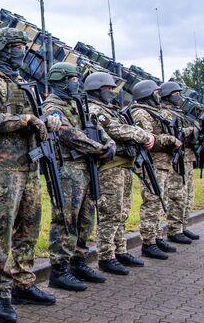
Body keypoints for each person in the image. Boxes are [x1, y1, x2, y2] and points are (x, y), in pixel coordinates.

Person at [0, 28, 57, 323]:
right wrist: (24, 119)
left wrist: (48, 121)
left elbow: (40, 118)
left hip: (31, 166)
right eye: (16, 46)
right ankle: (0, 292)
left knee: (29, 227)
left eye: (23, 45)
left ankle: (24, 284)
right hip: (5, 169)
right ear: (1, 49)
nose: (21, 50)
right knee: (2, 230)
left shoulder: (26, 84)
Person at [43, 62, 115, 292]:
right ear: (61, 81)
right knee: (66, 219)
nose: (77, 83)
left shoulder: (78, 104)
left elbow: (95, 128)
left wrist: (109, 143)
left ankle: (78, 261)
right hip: (68, 170)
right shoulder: (51, 107)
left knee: (86, 217)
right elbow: (67, 134)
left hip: (87, 167)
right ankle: (59, 269)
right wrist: (99, 148)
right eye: (73, 79)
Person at [83, 72, 153, 275]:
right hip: (109, 169)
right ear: (97, 89)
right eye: (108, 89)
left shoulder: (110, 109)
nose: (112, 92)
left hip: (123, 166)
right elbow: (114, 130)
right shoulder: (96, 110)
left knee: (122, 212)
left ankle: (120, 250)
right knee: (110, 213)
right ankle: (106, 256)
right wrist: (142, 135)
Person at [129, 80, 181, 259]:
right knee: (152, 203)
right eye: (156, 92)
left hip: (162, 164)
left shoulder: (154, 112)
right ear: (147, 94)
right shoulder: (141, 113)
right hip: (152, 164)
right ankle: (148, 242)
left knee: (160, 201)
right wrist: (170, 140)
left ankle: (157, 236)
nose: (159, 95)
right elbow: (148, 140)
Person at [159, 82, 201, 244]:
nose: (179, 96)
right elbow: (175, 133)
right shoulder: (165, 113)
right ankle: (174, 229)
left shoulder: (181, 112)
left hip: (188, 156)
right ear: (168, 95)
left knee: (188, 194)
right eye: (176, 93)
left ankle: (183, 225)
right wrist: (192, 130)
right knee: (176, 194)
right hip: (177, 159)